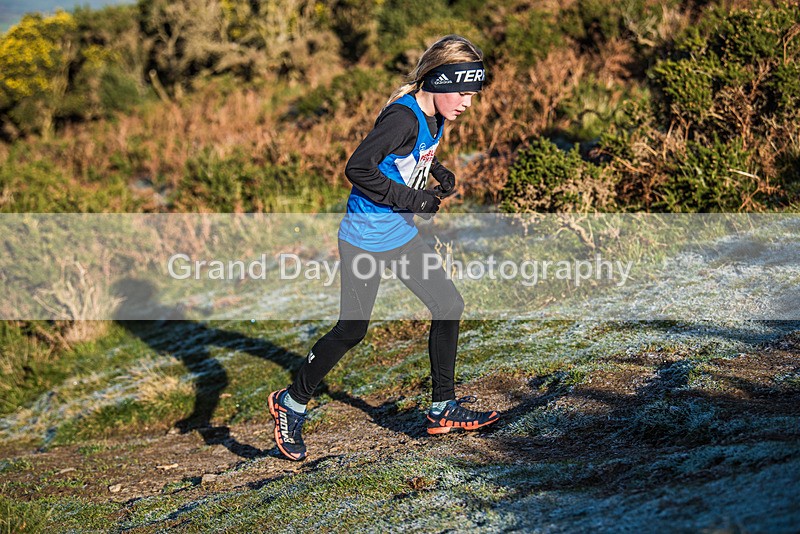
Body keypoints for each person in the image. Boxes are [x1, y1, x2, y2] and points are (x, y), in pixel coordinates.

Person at [268, 35, 499, 461]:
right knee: (351, 330)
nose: (468, 102)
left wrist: (438, 173)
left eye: (472, 94)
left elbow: (406, 158)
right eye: (464, 92)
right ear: (439, 81)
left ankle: (442, 409)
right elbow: (357, 168)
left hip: (400, 235)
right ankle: (292, 402)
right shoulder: (403, 117)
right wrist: (415, 200)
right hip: (364, 240)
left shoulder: (434, 115)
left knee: (448, 305)